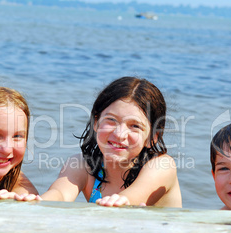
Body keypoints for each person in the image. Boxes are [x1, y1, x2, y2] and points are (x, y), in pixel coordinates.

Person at [16, 76, 182, 207]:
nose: (119, 134)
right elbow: (60, 194)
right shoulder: (83, 165)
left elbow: (132, 198)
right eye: (111, 120)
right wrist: (32, 202)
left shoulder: (161, 166)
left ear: (152, 138)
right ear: (96, 122)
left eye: (135, 126)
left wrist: (120, 201)